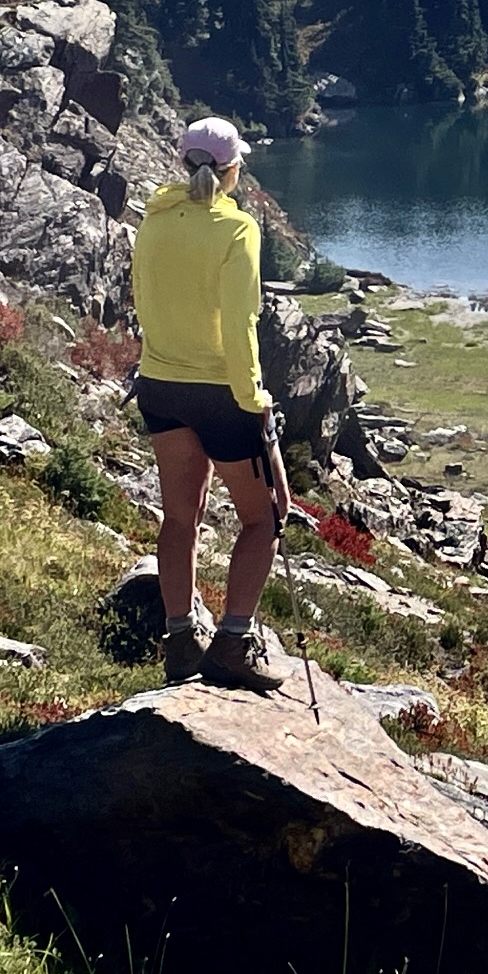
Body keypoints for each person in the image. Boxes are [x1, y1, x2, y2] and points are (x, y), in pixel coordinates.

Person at [130, 117, 288, 692]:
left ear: (183, 163)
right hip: (223, 394)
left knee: (180, 516)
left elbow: (143, 300)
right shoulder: (237, 228)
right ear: (231, 169)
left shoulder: (154, 220)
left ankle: (181, 640)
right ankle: (234, 643)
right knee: (267, 515)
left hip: (160, 384)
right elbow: (241, 322)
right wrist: (254, 399)